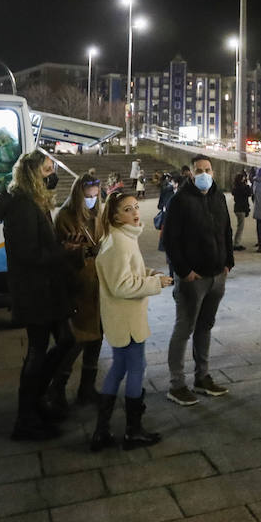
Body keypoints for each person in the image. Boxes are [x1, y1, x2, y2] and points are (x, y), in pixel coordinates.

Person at [0, 150, 82, 439]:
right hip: (35, 291)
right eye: (46, 171)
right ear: (32, 174)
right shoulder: (21, 205)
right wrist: (64, 250)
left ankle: (37, 401)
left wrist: (62, 244)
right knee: (37, 350)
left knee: (67, 341)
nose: (51, 176)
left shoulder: (34, 201)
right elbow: (29, 254)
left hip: (48, 288)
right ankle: (26, 417)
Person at [91, 191, 174, 451]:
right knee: (136, 368)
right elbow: (121, 286)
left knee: (119, 368)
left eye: (136, 207)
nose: (135, 212)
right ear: (115, 215)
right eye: (127, 209)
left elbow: (129, 273)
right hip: (125, 319)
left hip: (122, 317)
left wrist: (151, 273)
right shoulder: (119, 242)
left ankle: (102, 431)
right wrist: (154, 283)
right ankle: (132, 431)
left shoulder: (123, 237)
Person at [162, 154, 234, 406]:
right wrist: (184, 271)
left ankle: (202, 377)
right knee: (184, 328)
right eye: (199, 170)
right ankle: (177, 384)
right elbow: (170, 240)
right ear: (191, 173)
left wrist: (228, 262)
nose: (204, 174)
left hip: (217, 275)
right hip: (193, 278)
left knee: (205, 327)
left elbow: (226, 230)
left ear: (213, 172)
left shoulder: (218, 196)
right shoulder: (179, 200)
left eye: (208, 169)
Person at [48, 174, 105, 415]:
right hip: (77, 286)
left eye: (95, 195)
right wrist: (79, 251)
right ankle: (57, 389)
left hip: (98, 286)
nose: (92, 199)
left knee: (97, 337)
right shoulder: (65, 216)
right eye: (88, 195)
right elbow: (60, 253)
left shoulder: (99, 215)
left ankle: (87, 388)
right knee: (76, 340)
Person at [230, 171, 252, 252]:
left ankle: (236, 242)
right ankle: (236, 244)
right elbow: (249, 193)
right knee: (240, 227)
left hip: (237, 209)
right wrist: (247, 185)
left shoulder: (236, 187)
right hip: (241, 209)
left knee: (240, 226)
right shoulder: (243, 188)